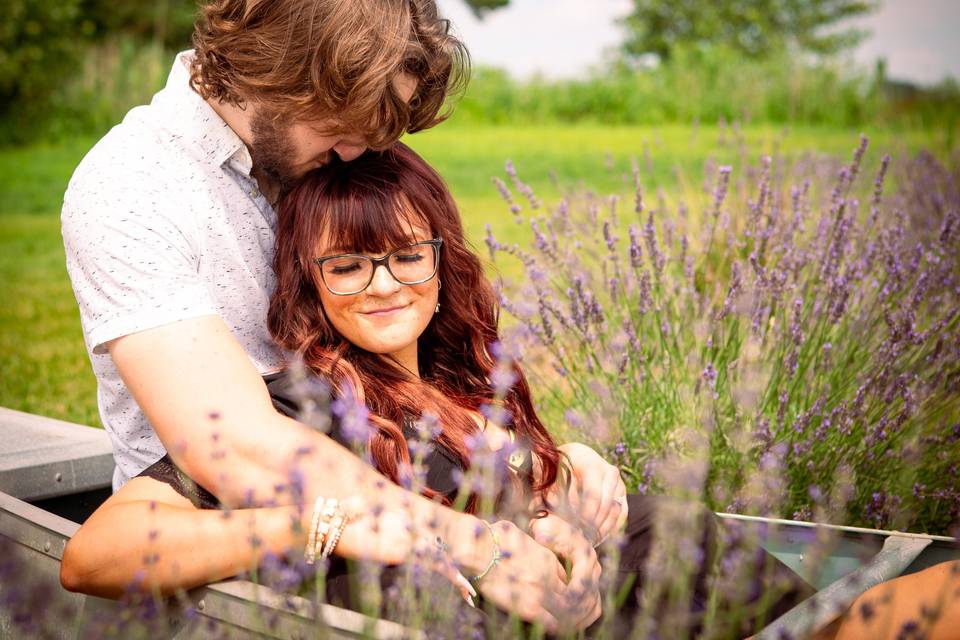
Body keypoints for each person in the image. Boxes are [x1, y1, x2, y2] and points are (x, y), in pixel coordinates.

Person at [62, 142, 814, 636]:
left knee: (668, 526)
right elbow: (94, 555)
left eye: (405, 257)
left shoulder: (467, 384)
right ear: (311, 286)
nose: (383, 285)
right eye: (348, 266)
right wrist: (308, 527)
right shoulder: (303, 410)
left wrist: (559, 499)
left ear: (440, 259)